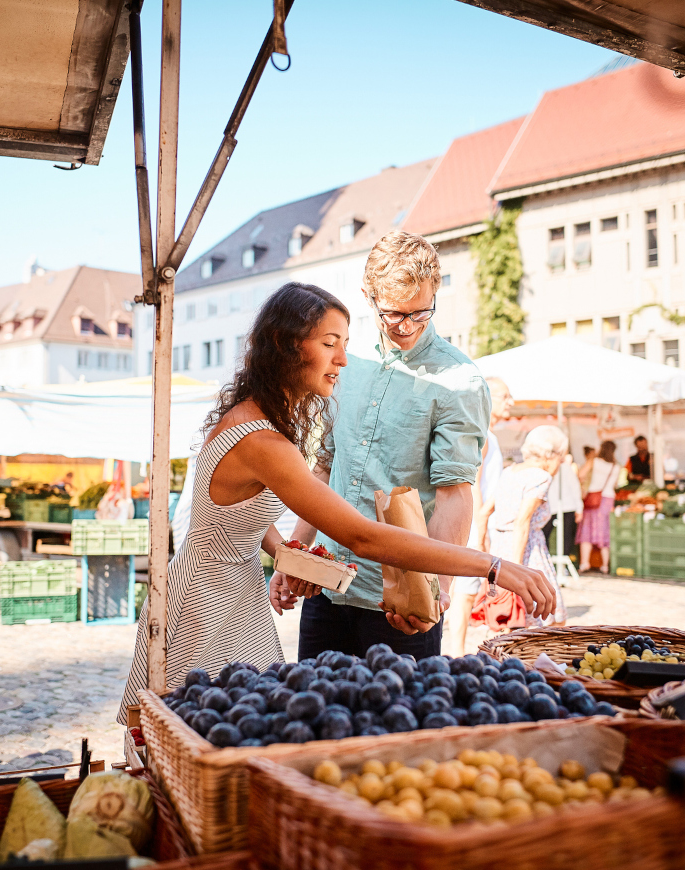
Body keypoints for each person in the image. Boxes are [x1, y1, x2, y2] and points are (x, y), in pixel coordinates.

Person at [117, 282, 554, 715]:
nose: (343, 360)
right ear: (286, 345)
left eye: (344, 344)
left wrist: (287, 554)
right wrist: (493, 566)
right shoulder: (262, 440)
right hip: (210, 603)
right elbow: (362, 537)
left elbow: (239, 518)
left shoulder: (260, 419)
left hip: (232, 592)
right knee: (211, 734)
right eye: (330, 344)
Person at [270, 231, 494, 661]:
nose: (407, 326)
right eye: (394, 314)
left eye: (420, 312)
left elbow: (454, 494)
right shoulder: (346, 363)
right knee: (315, 720)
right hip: (326, 587)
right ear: (368, 296)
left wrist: (438, 593)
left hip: (401, 600)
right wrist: (293, 556)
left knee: (395, 725)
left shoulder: (459, 382)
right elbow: (324, 468)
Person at [446, 377, 513, 655]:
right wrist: (481, 528)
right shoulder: (482, 434)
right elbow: (473, 483)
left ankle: (457, 649)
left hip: (477, 520)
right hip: (473, 521)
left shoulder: (488, 434)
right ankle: (456, 651)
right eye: (505, 396)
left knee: (467, 591)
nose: (511, 403)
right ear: (489, 398)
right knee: (464, 591)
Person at [477, 426, 569, 627]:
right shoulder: (541, 477)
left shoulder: (509, 471)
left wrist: (483, 548)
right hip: (526, 549)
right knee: (547, 616)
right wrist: (516, 569)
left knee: (507, 618)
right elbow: (522, 521)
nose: (561, 463)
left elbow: (484, 512)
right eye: (561, 457)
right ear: (550, 455)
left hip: (500, 548)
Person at [576, 441, 619, 574]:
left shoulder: (594, 461)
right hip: (608, 499)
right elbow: (615, 484)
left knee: (587, 530)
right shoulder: (616, 467)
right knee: (604, 530)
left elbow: (580, 475)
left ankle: (584, 563)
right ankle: (605, 565)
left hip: (593, 498)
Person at [544, 452, 583, 562]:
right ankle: (546, 560)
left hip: (564, 506)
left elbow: (575, 487)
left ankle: (562, 563)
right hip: (552, 507)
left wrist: (579, 508)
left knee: (566, 536)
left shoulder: (565, 469)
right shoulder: (544, 469)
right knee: (545, 534)